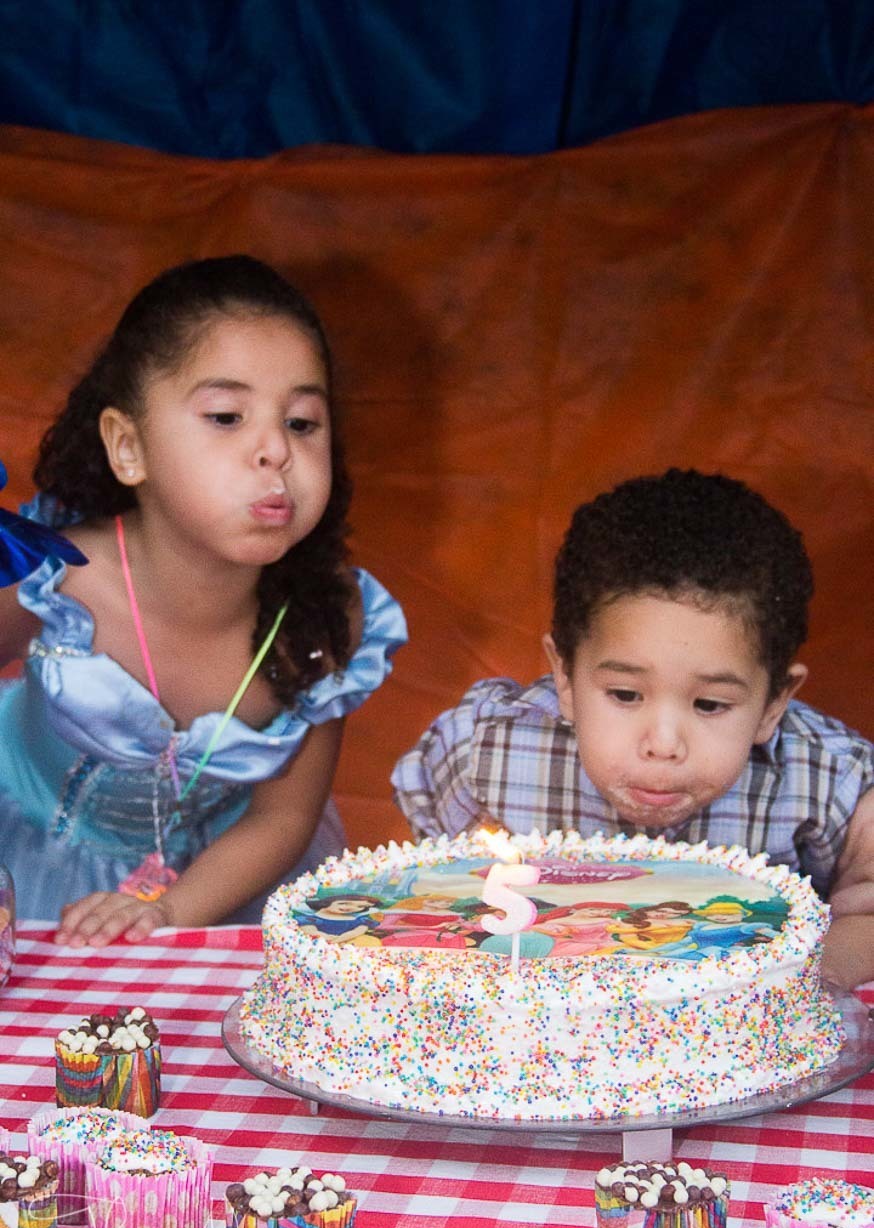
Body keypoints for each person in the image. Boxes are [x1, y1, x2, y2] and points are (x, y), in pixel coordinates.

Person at [0, 255, 406, 943]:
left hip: (222, 885)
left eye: (304, 422)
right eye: (226, 415)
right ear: (128, 447)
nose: (274, 449)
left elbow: (283, 818)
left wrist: (168, 911)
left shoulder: (324, 621)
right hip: (25, 861)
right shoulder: (57, 571)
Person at [392, 469, 874, 988]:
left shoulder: (825, 782)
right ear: (566, 678)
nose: (663, 745)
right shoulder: (485, 753)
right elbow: (429, 901)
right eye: (625, 695)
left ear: (774, 703)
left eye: (710, 704)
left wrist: (766, 996)